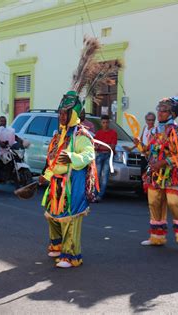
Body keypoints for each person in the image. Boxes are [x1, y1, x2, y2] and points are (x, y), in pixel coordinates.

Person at [39, 91, 96, 268]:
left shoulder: (81, 135)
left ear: (73, 115)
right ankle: (57, 245)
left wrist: (72, 157)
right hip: (56, 183)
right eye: (60, 113)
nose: (62, 116)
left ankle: (70, 255)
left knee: (70, 218)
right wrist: (46, 176)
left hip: (73, 184)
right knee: (52, 216)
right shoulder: (58, 135)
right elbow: (53, 160)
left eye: (65, 113)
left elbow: (89, 154)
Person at [135, 98, 178, 252]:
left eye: (164, 110)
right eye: (158, 110)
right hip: (155, 173)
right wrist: (139, 145)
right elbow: (148, 151)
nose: (159, 113)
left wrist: (163, 162)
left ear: (172, 113)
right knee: (154, 203)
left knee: (174, 202)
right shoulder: (154, 132)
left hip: (173, 173)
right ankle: (156, 237)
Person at [93, 115, 117, 201]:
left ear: (109, 123)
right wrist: (105, 146)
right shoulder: (99, 133)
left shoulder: (113, 133)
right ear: (101, 123)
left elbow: (112, 147)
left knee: (105, 176)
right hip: (99, 155)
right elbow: (95, 146)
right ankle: (94, 194)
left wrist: (101, 146)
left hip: (108, 156)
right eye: (103, 122)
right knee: (97, 176)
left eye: (107, 122)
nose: (105, 124)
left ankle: (100, 195)